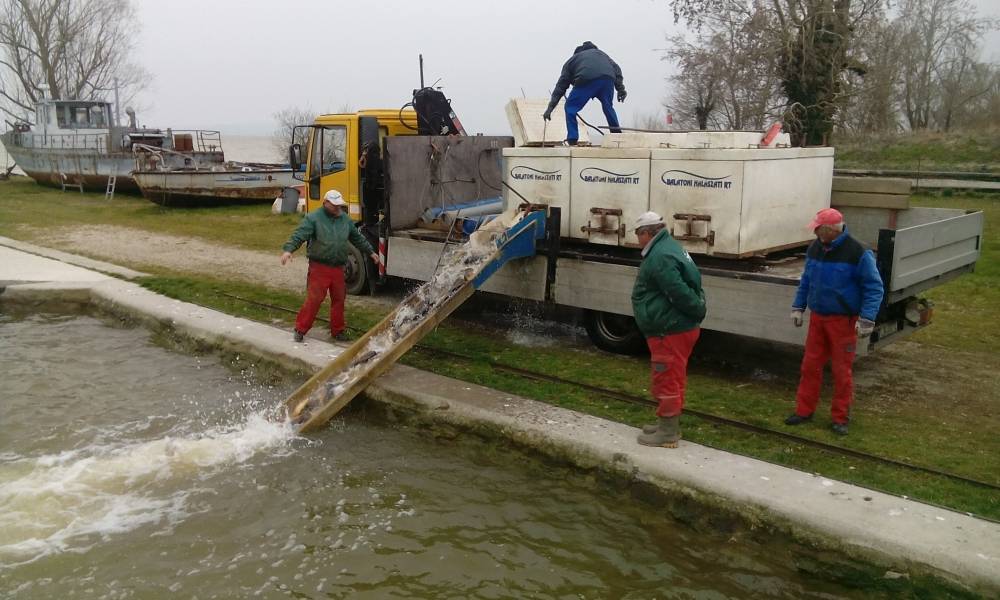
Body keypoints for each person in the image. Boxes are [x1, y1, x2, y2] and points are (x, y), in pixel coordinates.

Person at [785, 208, 884, 435]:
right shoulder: (815, 249)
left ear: (830, 230)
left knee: (842, 371)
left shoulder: (858, 252)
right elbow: (807, 280)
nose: (815, 232)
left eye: (818, 228)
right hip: (818, 319)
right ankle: (804, 410)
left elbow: (874, 286)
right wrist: (798, 307)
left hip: (844, 322)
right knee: (810, 367)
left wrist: (867, 318)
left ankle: (840, 417)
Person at [631, 211, 707, 448]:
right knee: (675, 375)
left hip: (669, 329)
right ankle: (667, 422)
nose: (637, 240)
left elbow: (678, 291)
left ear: (647, 233)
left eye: (637, 234)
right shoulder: (669, 247)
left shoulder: (660, 256)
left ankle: (668, 432)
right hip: (676, 326)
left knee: (666, 377)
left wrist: (696, 310)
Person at [280, 189, 379, 343]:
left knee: (339, 299)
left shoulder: (345, 220)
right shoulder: (313, 218)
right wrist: (288, 250)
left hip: (338, 268)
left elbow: (357, 238)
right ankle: (300, 329)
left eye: (339, 205)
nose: (337, 208)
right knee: (315, 299)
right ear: (325, 203)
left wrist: (371, 252)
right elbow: (299, 235)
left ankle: (338, 331)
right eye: (334, 205)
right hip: (319, 267)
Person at [542, 41, 626, 146]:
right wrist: (620, 89)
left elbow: (560, 87)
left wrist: (550, 109)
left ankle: (572, 138)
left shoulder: (572, 61)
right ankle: (617, 135)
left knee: (570, 107)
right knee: (608, 106)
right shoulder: (602, 54)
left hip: (586, 79)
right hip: (608, 79)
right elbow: (616, 69)